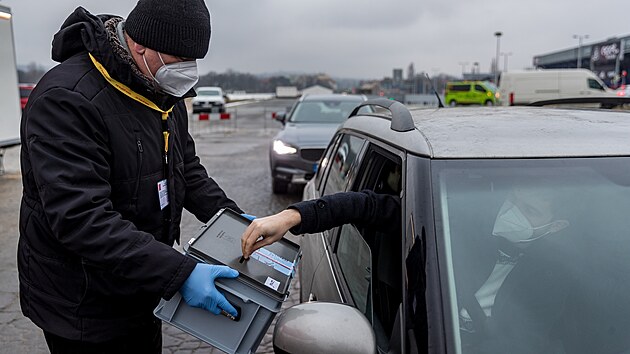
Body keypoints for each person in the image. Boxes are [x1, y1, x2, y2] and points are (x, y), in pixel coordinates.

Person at [19, 1, 243, 352]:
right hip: (83, 303)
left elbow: (187, 169)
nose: (187, 70)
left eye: (193, 60)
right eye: (178, 60)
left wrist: (234, 220)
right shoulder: (67, 99)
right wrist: (180, 272)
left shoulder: (161, 90)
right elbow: (81, 218)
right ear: (140, 45)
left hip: (140, 283)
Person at [241, 181, 574, 353]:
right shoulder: (454, 222)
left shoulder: (557, 282)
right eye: (512, 200)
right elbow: (368, 206)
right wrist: (291, 217)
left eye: (529, 210)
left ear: (556, 226)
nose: (511, 212)